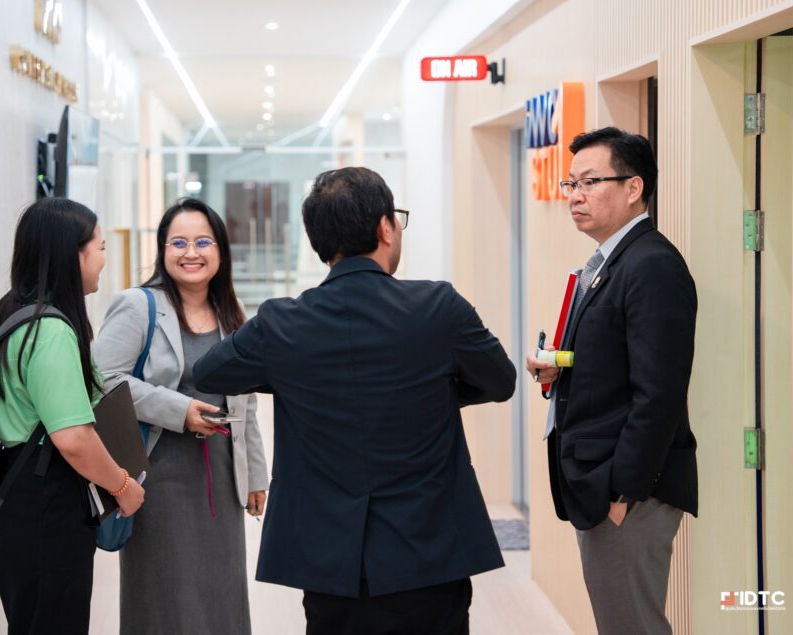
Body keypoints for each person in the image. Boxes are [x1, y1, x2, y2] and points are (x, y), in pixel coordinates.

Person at [194, 167, 516, 635]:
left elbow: (209, 372)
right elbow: (501, 381)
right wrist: (435, 392)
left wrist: (294, 380)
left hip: (331, 563)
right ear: (385, 227)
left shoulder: (281, 325)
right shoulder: (438, 308)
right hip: (429, 550)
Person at [526, 127, 697, 635]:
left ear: (633, 187)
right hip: (602, 480)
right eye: (571, 183)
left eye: (590, 182)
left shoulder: (652, 265)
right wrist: (562, 366)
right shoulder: (610, 262)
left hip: (627, 490)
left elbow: (659, 393)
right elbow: (620, 361)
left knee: (632, 625)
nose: (575, 196)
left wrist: (623, 494)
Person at [94, 198, 268, 635]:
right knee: (165, 598)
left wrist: (256, 476)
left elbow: (244, 402)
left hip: (221, 481)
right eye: (179, 243)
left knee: (221, 595)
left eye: (203, 242)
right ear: (163, 250)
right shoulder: (138, 306)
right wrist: (179, 411)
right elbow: (102, 379)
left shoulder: (231, 313)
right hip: (158, 480)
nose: (191, 252)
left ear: (221, 251)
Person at [0, 197, 145, 635]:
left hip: (23, 495)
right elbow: (73, 439)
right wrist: (123, 486)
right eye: (100, 247)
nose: (104, 259)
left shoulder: (13, 312)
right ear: (72, 255)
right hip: (46, 507)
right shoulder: (50, 331)